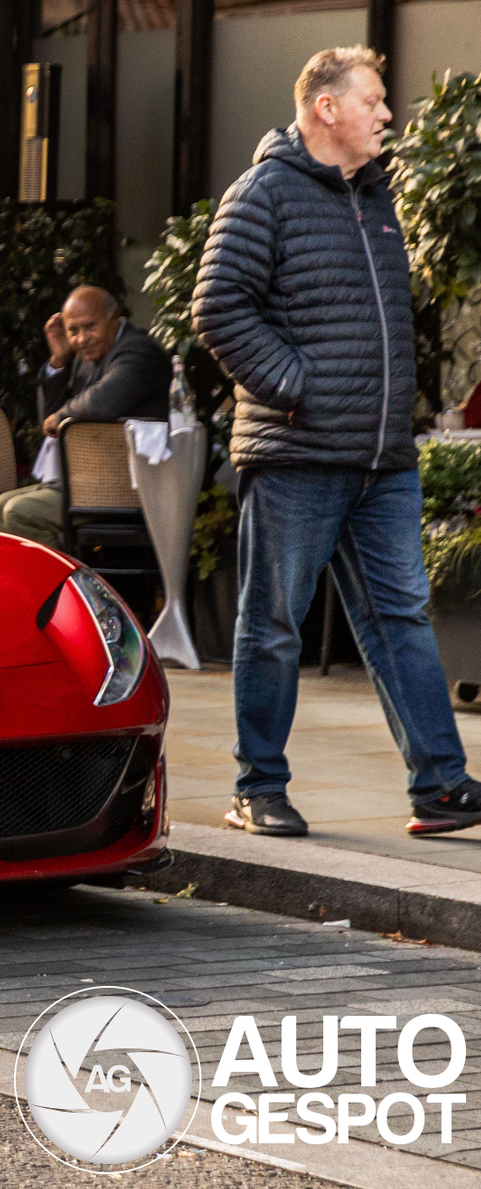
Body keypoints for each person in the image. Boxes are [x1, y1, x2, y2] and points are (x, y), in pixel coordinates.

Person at [195, 44, 481, 840]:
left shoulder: (376, 198)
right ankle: (258, 785)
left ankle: (442, 785)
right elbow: (218, 307)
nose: (389, 114)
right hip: (299, 453)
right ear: (326, 108)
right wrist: (298, 386)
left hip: (381, 457)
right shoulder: (264, 193)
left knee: (403, 615)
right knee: (273, 621)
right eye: (375, 100)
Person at [0, 285, 172, 547]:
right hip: (87, 482)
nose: (82, 338)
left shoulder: (138, 351)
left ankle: (63, 585)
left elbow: (102, 402)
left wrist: (60, 416)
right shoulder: (85, 358)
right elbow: (48, 423)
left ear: (114, 318)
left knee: (18, 512)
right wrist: (59, 361)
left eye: (90, 327)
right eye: (73, 331)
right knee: (0, 505)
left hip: (126, 489)